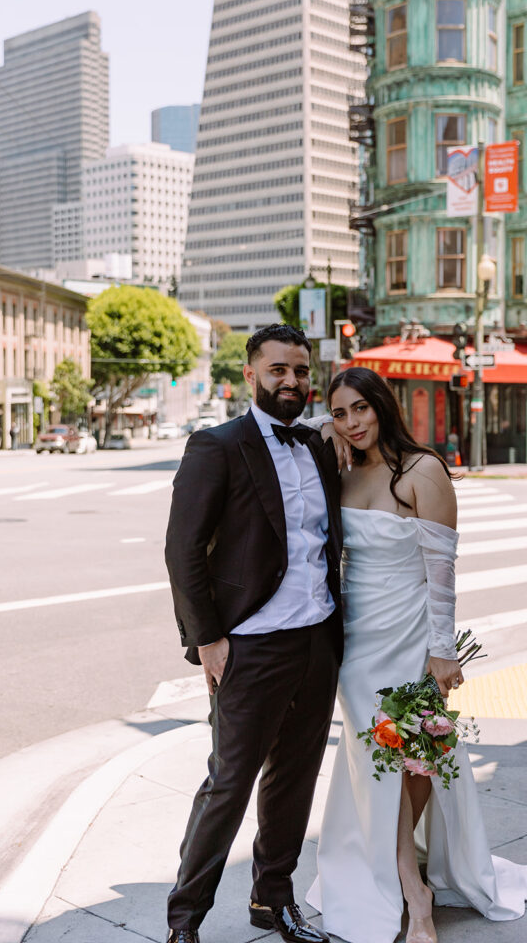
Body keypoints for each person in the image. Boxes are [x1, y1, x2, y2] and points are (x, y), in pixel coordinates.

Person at [305, 367, 527, 943]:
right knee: (379, 760)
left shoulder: (422, 469)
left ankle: (412, 871)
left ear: (382, 405)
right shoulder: (343, 470)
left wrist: (442, 650)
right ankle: (415, 893)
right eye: (339, 412)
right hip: (356, 643)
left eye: (360, 408)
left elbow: (442, 574)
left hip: (412, 633)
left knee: (417, 760)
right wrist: (325, 433)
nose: (351, 422)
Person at [164, 324, 343, 943]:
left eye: (300, 370)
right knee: (229, 784)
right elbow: (182, 549)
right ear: (251, 374)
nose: (291, 381)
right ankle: (185, 918)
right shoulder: (217, 445)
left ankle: (273, 900)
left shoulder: (320, 447)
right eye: (278, 371)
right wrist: (207, 639)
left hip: (317, 640)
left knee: (294, 778)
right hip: (250, 645)